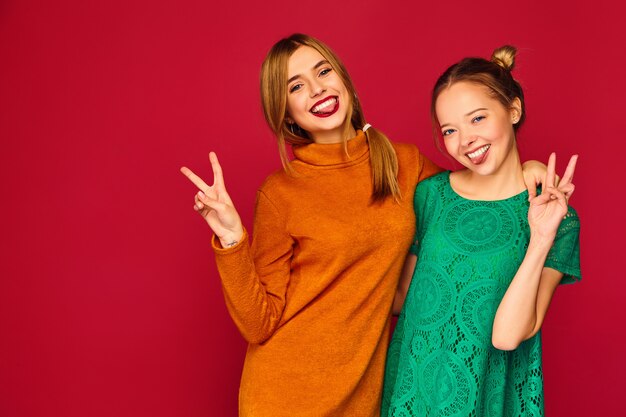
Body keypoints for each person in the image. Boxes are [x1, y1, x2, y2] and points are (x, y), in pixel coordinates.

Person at [181, 34, 546, 417]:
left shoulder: (403, 163)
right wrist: (231, 238)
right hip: (283, 395)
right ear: (286, 112)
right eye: (296, 86)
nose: (317, 89)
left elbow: (473, 192)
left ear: (343, 79)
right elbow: (258, 324)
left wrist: (525, 171)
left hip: (364, 394)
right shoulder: (281, 192)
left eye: (323, 71)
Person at [382, 46, 581, 417]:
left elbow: (507, 337)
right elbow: (400, 300)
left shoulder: (557, 220)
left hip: (489, 401)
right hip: (413, 397)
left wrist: (540, 239)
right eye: (450, 130)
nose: (465, 140)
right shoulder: (431, 196)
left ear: (514, 110)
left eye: (477, 119)